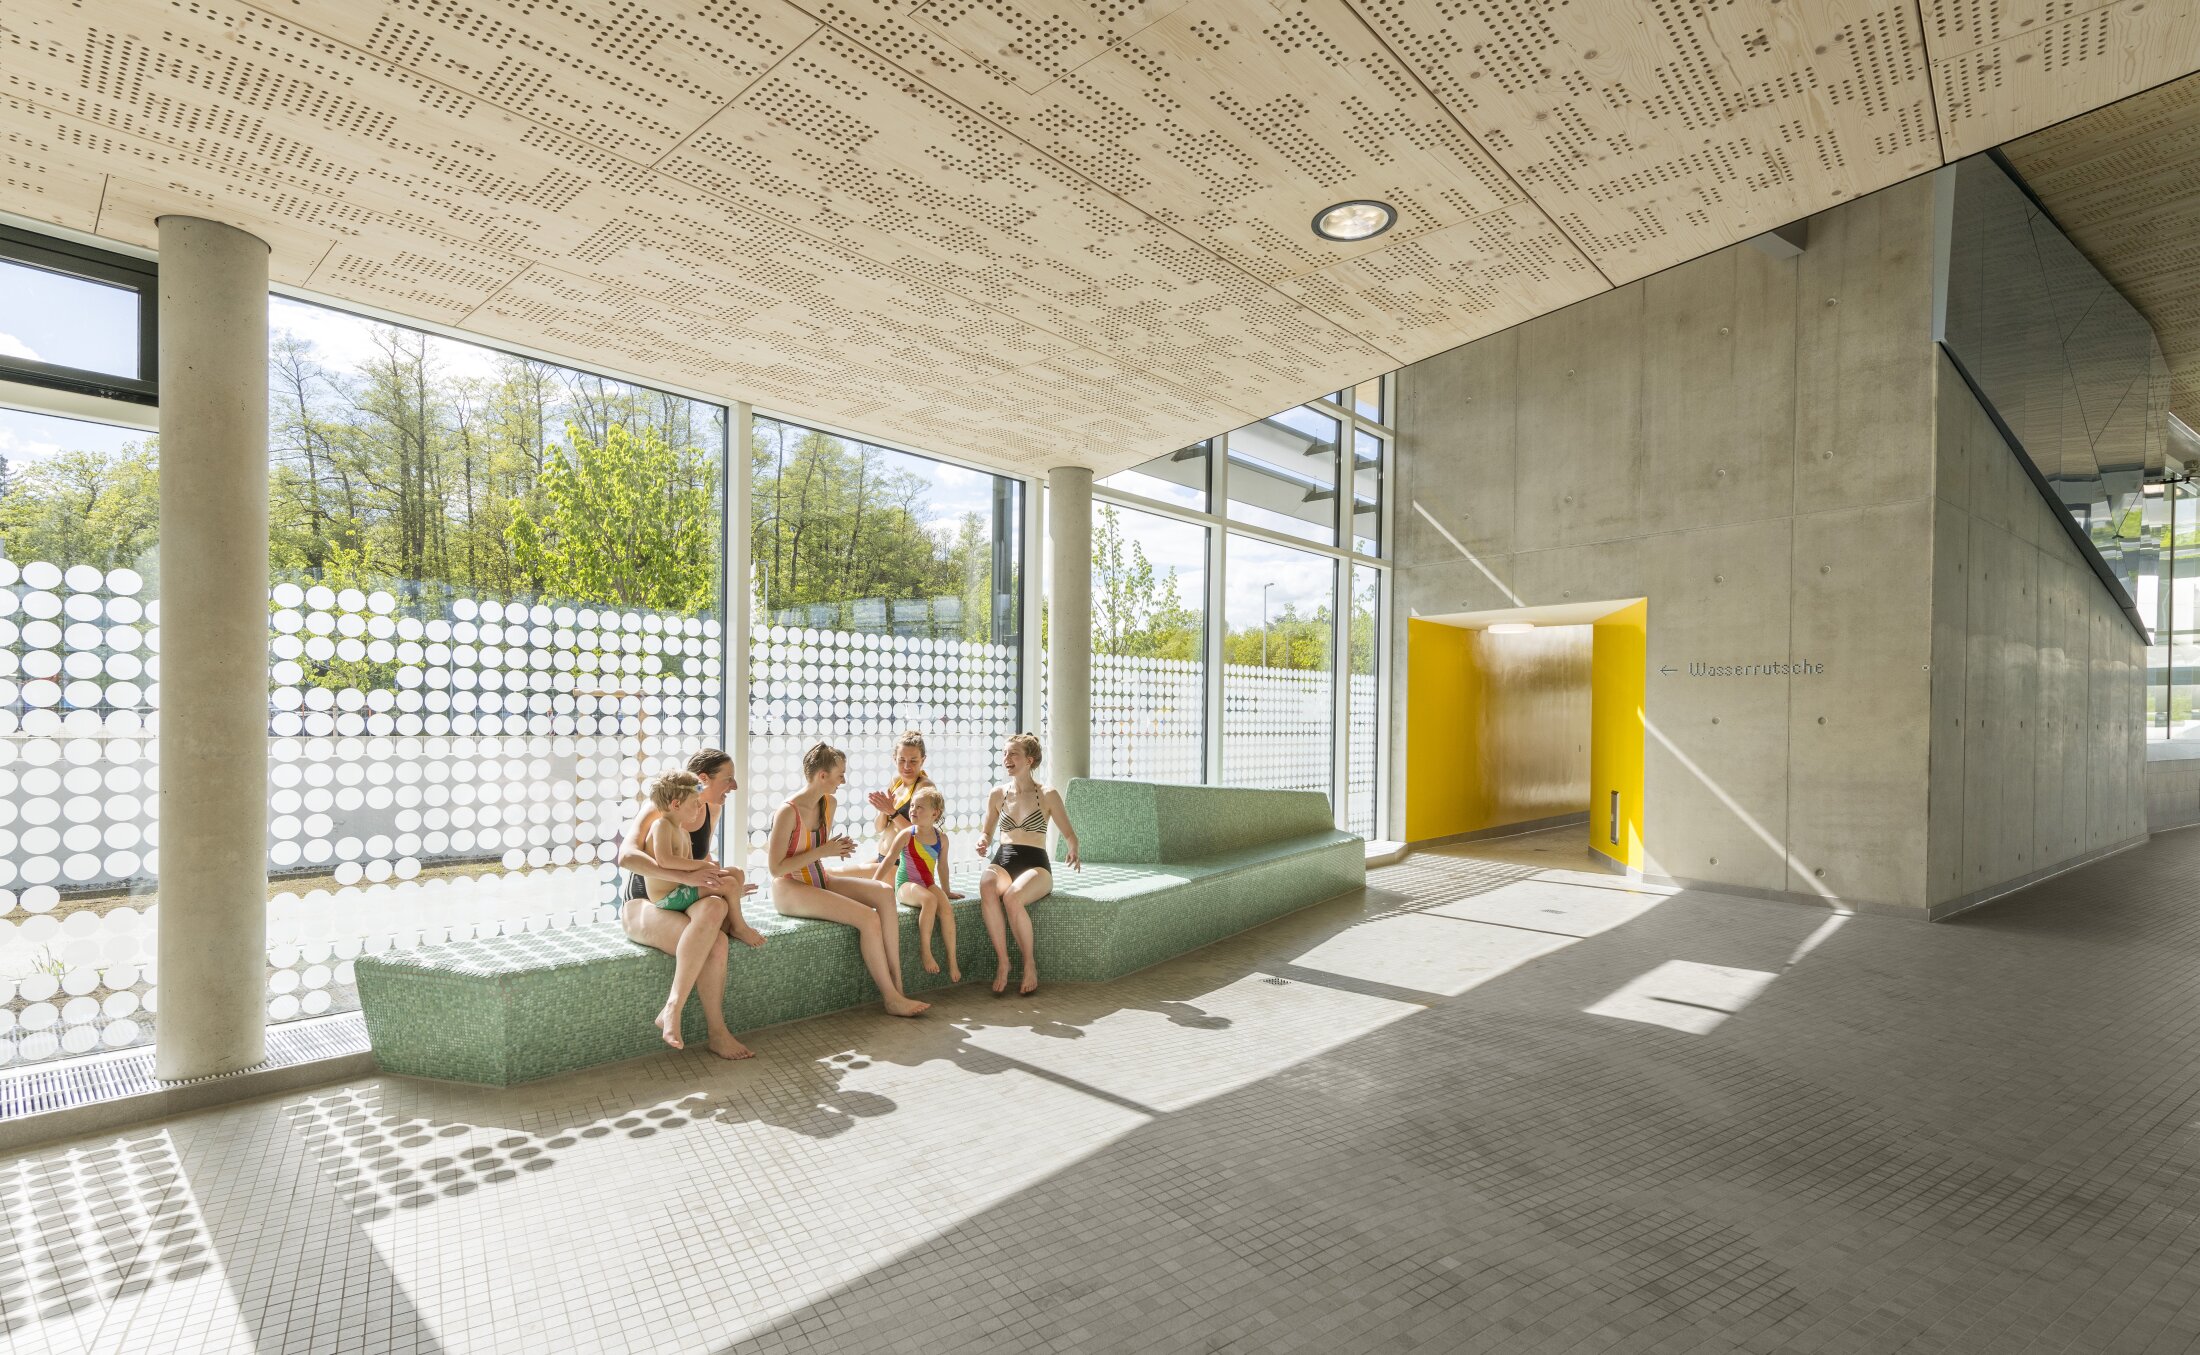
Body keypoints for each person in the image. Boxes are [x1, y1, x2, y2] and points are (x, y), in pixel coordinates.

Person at [768, 742, 930, 1018]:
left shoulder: (828, 803)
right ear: (822, 776)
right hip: (790, 887)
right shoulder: (787, 812)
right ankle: (891, 998)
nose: (843, 780)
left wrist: (836, 848)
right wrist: (824, 850)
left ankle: (898, 983)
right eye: (839, 774)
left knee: (882, 892)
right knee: (867, 917)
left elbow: (814, 853)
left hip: (818, 877)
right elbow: (775, 868)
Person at [630, 772, 762, 1059]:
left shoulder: (682, 826)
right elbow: (663, 861)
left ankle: (711, 1030)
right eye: (694, 802)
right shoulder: (661, 825)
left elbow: (689, 862)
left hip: (680, 892)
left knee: (731, 881)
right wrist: (699, 874)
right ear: (676, 803)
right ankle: (674, 1007)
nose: (698, 806)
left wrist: (708, 867)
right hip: (663, 900)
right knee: (726, 895)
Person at [974, 732, 1080, 997]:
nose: (1006, 758)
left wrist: (1073, 849)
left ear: (1029, 760)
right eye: (1005, 753)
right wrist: (982, 841)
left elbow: (1069, 834)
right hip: (1004, 858)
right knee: (987, 884)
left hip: (1035, 863)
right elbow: (986, 832)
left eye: (1013, 754)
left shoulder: (1047, 794)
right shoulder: (997, 794)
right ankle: (1004, 962)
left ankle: (1029, 964)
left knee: (1012, 898)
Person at [874, 785, 960, 982]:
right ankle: (925, 951)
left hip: (927, 883)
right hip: (906, 885)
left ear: (935, 813)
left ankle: (952, 959)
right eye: (912, 805)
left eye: (919, 807)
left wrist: (946, 891)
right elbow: (887, 861)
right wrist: (872, 886)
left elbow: (943, 867)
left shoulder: (941, 839)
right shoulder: (906, 835)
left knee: (946, 909)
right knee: (930, 900)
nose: (913, 810)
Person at [866, 730, 934, 861]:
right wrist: (883, 811)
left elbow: (921, 834)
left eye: (913, 761)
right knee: (836, 874)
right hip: (883, 857)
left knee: (835, 876)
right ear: (894, 758)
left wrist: (891, 811)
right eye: (902, 760)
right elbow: (879, 828)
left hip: (903, 863)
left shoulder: (924, 786)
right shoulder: (896, 781)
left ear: (923, 760)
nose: (907, 766)